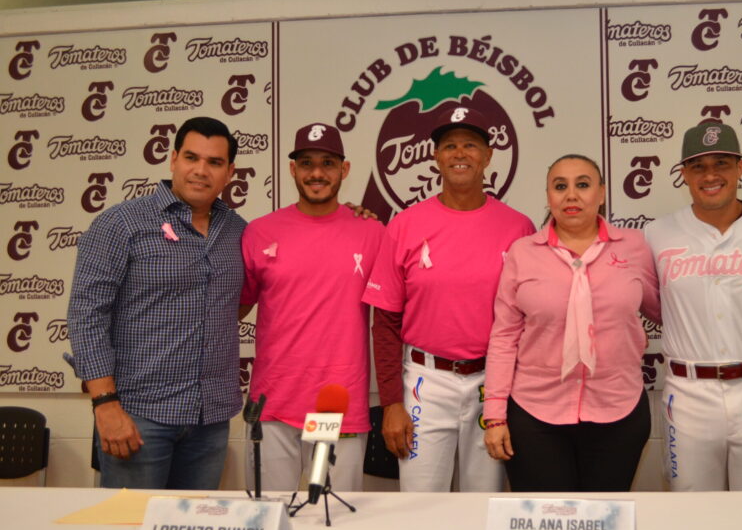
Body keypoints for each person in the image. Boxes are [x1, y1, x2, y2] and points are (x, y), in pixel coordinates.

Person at [67, 116, 246, 490]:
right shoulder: (121, 224)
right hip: (138, 417)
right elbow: (86, 316)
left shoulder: (238, 231)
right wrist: (105, 405)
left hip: (209, 420)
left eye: (214, 163)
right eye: (191, 158)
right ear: (173, 159)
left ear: (229, 171)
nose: (201, 171)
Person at [363, 106, 535, 492]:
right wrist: (391, 403)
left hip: (492, 382)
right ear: (436, 157)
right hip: (427, 381)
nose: (460, 154)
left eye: (471, 145)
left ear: (488, 156)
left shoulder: (519, 227)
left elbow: (529, 320)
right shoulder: (405, 225)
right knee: (419, 505)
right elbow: (386, 321)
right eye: (450, 146)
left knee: (484, 504)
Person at [483, 155, 660, 491]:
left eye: (583, 184)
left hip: (617, 409)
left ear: (602, 193)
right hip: (536, 413)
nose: (571, 195)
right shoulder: (523, 253)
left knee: (603, 524)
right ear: (549, 196)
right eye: (560, 186)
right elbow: (504, 337)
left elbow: (664, 310)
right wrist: (494, 415)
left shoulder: (634, 247)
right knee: (546, 525)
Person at [645, 120, 742, 491]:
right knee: (693, 514)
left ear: (741, 167)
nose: (710, 175)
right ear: (683, 173)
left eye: (722, 164)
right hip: (687, 394)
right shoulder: (656, 234)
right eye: (698, 166)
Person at [239, 122, 386, 493]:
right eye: (306, 163)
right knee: (268, 518)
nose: (317, 173)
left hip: (336, 409)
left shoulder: (372, 232)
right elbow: (231, 311)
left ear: (344, 170)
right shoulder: (259, 232)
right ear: (292, 169)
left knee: (332, 519)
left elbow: (392, 316)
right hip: (273, 407)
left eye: (327, 163)